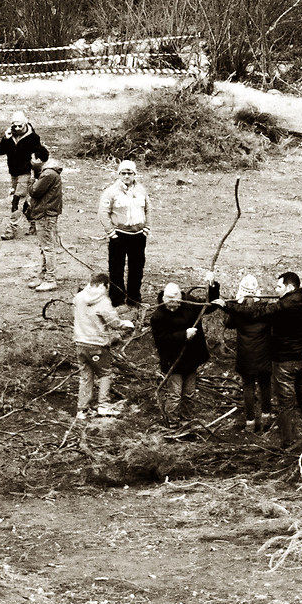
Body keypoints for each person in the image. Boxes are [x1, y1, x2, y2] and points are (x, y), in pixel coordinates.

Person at [266, 270, 302, 451]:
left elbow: (257, 313)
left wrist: (227, 306)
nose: (276, 290)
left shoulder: (283, 306)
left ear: (290, 287)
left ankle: (289, 443)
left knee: (286, 405)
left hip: (284, 362)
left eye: (279, 286)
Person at [71, 270, 135, 418]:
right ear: (103, 285)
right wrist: (127, 324)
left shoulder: (79, 297)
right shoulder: (103, 301)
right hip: (97, 345)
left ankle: (82, 409)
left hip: (80, 342)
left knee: (86, 376)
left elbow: (75, 314)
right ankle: (104, 406)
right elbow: (114, 322)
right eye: (107, 287)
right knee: (105, 374)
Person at [150, 280, 218, 419]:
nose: (173, 307)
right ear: (164, 299)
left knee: (189, 392)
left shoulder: (190, 303)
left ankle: (187, 418)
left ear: (180, 298)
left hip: (191, 357)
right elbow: (161, 340)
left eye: (175, 304)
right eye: (169, 304)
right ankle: (173, 421)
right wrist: (183, 335)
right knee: (175, 394)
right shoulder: (158, 316)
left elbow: (209, 306)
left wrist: (213, 286)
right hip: (173, 360)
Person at [219, 275, 276, 432]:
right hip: (264, 355)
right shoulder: (266, 309)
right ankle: (266, 417)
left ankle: (250, 422)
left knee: (248, 387)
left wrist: (230, 306)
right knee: (265, 386)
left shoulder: (238, 311)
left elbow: (228, 324)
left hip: (245, 355)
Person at [100, 160, 149, 307]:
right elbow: (103, 213)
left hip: (138, 235)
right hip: (119, 235)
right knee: (116, 268)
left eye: (130, 173)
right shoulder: (111, 191)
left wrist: (147, 228)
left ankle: (134, 298)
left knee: (137, 268)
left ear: (135, 174)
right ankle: (117, 300)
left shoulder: (141, 190)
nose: (126, 176)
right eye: (123, 173)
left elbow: (148, 209)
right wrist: (111, 232)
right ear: (119, 174)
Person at [0, 112, 48, 238]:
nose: (17, 128)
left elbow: (43, 156)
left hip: (26, 173)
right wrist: (5, 138)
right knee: (23, 202)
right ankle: (34, 224)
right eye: (15, 126)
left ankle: (11, 229)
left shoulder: (33, 138)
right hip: (14, 174)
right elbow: (0, 151)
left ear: (25, 124)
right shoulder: (10, 136)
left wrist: (36, 167)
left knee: (17, 201)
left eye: (20, 126)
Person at [24, 161, 66, 291]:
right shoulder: (50, 173)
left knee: (47, 247)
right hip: (45, 214)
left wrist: (31, 180)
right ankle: (43, 276)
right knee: (44, 247)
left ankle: (50, 279)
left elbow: (34, 191)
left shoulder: (48, 174)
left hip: (45, 214)